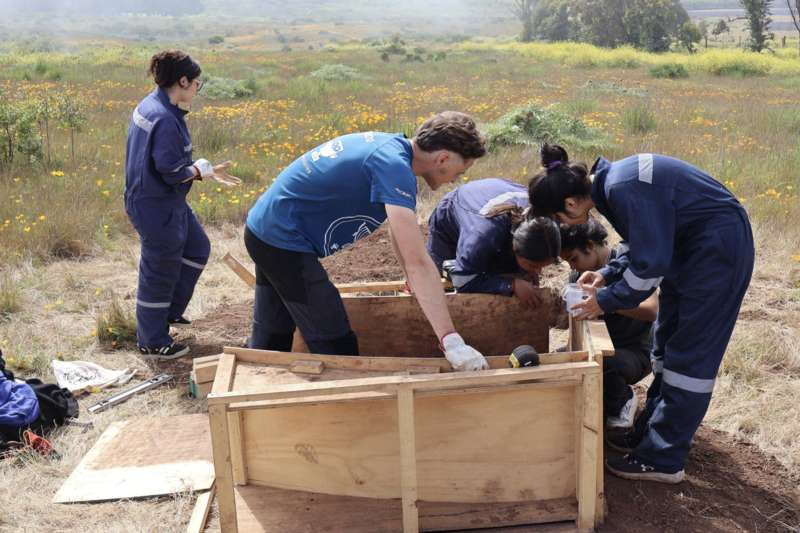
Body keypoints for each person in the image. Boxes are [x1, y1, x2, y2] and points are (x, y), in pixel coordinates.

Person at [528, 142, 754, 483]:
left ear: (571, 203)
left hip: (715, 253)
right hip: (691, 252)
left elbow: (648, 270)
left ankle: (665, 457)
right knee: (667, 342)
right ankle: (651, 432)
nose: (567, 223)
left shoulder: (622, 187)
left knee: (690, 356)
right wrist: (607, 273)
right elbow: (638, 246)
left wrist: (603, 300)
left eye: (560, 217)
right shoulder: (613, 185)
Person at [245, 112, 490, 371]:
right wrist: (451, 341)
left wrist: (413, 282)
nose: (455, 180)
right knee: (335, 341)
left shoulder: (392, 149)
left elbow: (400, 235)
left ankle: (255, 385)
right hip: (281, 240)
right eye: (459, 172)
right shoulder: (394, 168)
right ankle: (348, 406)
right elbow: (418, 260)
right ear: (443, 159)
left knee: (273, 331)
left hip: (264, 229)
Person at [125, 51, 227, 360]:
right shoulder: (165, 119)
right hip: (157, 205)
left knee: (197, 248)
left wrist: (196, 170)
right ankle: (152, 341)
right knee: (160, 270)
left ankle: (168, 312)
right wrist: (199, 170)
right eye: (197, 83)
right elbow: (170, 173)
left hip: (163, 200)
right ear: (182, 81)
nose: (198, 88)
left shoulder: (151, 104)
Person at [559, 220, 657, 429]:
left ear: (590, 245)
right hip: (602, 343)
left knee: (603, 365)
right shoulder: (579, 275)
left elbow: (652, 310)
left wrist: (606, 301)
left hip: (636, 351)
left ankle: (624, 400)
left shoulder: (628, 265)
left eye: (573, 258)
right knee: (559, 360)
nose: (572, 267)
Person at [426, 178, 560, 309]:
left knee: (503, 275)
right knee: (441, 287)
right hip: (452, 215)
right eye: (533, 265)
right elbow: (462, 281)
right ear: (515, 247)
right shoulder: (482, 236)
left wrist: (525, 270)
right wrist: (513, 285)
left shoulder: (545, 224)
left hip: (491, 197)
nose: (539, 272)